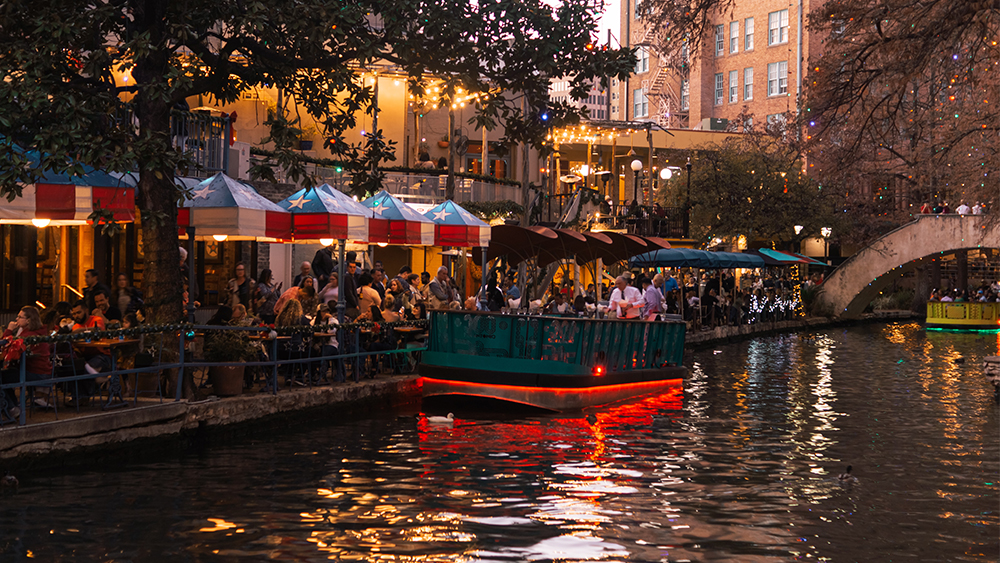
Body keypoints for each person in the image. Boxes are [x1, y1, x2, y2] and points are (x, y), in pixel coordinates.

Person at [1, 306, 53, 414]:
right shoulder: (38, 332)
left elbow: (6, 346)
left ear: (28, 320)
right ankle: (12, 406)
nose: (16, 319)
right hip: (42, 370)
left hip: (36, 372)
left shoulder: (29, 335)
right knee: (4, 376)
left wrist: (9, 330)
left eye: (20, 317)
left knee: (2, 377)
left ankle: (11, 408)